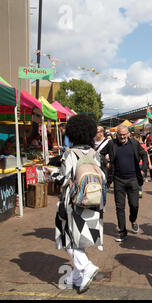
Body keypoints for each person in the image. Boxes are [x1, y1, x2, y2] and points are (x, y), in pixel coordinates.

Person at [50, 114, 106, 293]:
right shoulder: (95, 154)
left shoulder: (70, 154)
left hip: (72, 202)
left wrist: (50, 173)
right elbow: (103, 178)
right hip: (92, 201)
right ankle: (77, 276)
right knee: (79, 238)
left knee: (66, 235)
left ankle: (86, 266)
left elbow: (64, 179)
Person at [107, 125, 149, 242]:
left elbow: (144, 154)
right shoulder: (112, 144)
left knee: (134, 205)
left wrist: (143, 169)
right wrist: (106, 163)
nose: (122, 137)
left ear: (128, 134)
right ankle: (122, 231)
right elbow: (100, 154)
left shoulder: (134, 144)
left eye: (124, 135)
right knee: (119, 207)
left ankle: (133, 219)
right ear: (117, 134)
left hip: (133, 179)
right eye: (120, 135)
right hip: (118, 180)